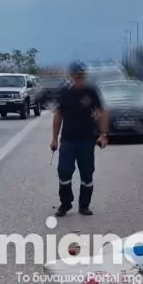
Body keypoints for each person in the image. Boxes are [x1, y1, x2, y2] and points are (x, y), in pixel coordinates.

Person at [51, 62, 109, 217]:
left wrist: (103, 135)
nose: (79, 79)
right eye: (76, 76)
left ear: (85, 76)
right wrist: (54, 138)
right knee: (64, 172)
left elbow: (102, 112)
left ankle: (84, 205)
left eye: (82, 76)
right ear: (71, 76)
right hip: (68, 140)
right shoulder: (64, 93)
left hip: (86, 140)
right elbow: (58, 116)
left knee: (87, 174)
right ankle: (65, 204)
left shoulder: (91, 92)